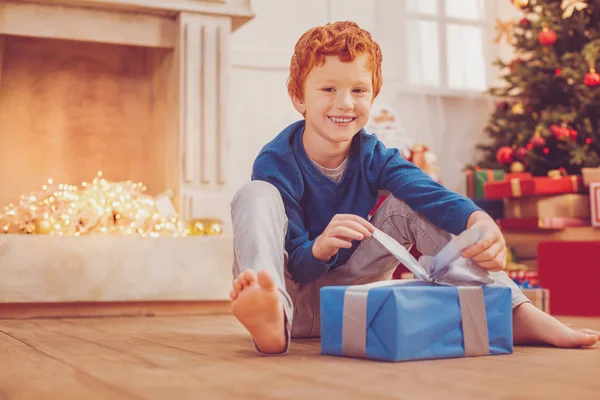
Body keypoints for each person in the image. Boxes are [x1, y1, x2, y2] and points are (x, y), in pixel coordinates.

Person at [228, 21, 600, 355]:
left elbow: (429, 193)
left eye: (359, 90)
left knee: (408, 202)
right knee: (255, 195)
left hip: (353, 304)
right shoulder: (277, 160)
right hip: (295, 296)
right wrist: (322, 247)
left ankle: (512, 309)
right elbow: (304, 266)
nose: (345, 103)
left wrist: (480, 221)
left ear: (373, 96)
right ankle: (271, 318)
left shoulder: (374, 154)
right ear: (298, 97)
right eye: (327, 88)